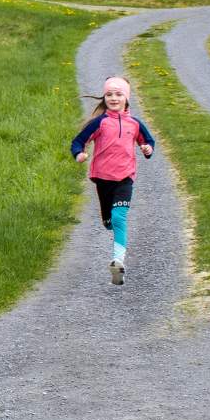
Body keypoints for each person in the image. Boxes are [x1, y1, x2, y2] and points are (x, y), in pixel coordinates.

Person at [70, 75, 155, 285]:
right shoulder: (100, 122)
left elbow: (148, 141)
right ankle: (108, 220)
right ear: (104, 98)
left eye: (118, 94)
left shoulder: (135, 124)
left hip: (125, 177)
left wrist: (147, 149)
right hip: (103, 178)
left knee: (119, 218)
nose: (114, 98)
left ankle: (118, 262)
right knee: (109, 221)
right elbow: (78, 141)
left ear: (127, 98)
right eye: (109, 94)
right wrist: (79, 154)